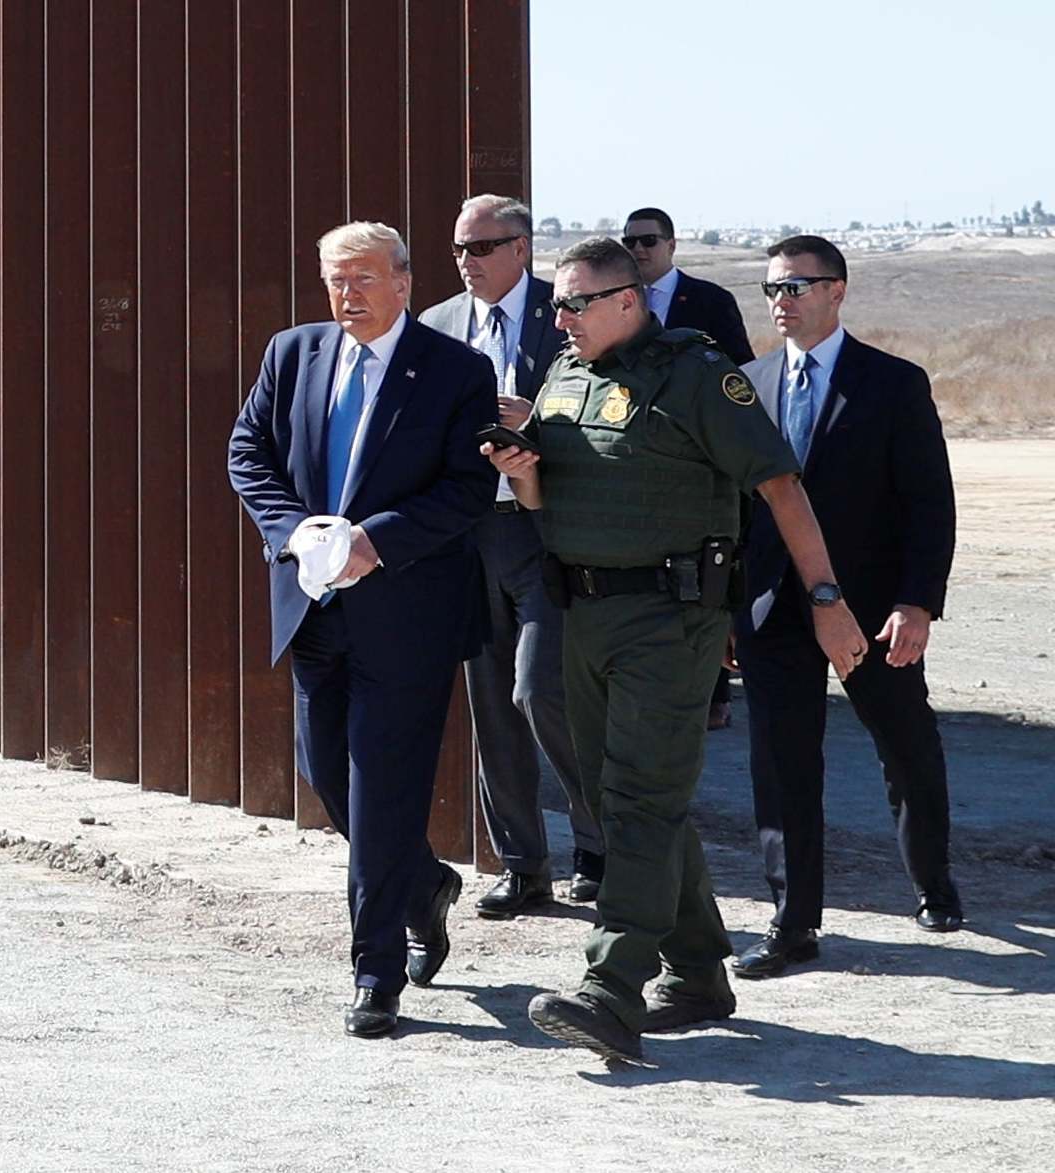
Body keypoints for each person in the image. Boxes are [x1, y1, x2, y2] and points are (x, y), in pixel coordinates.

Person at [484, 237, 868, 1064]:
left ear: (629, 300)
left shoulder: (697, 372)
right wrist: (521, 469)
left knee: (639, 799)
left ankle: (611, 987)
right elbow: (554, 491)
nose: (559, 317)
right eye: (556, 302)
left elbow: (780, 485)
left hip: (672, 616)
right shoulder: (565, 373)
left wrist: (827, 598)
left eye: (575, 303)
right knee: (617, 793)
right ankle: (698, 970)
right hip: (582, 610)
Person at [228, 221, 499, 1038]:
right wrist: (295, 531)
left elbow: (467, 489)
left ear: (406, 281)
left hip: (407, 613)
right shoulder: (294, 353)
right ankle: (422, 884)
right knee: (327, 776)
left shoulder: (457, 370)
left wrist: (374, 542)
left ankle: (375, 970)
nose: (348, 295)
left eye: (364, 279)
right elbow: (250, 452)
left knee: (384, 789)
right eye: (335, 281)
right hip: (313, 605)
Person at [731, 235, 962, 980]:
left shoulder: (892, 383)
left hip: (871, 612)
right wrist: (729, 609)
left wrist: (918, 603)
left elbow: (930, 504)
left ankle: (932, 880)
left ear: (838, 290)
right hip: (774, 610)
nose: (781, 301)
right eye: (772, 288)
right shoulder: (749, 384)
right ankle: (793, 922)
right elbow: (733, 510)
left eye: (797, 286)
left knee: (906, 746)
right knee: (782, 764)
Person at [418, 194, 605, 917]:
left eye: (482, 248)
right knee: (491, 702)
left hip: (544, 531)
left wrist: (541, 424)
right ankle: (524, 864)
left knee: (541, 690)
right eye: (459, 249)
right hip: (468, 536)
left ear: (521, 248)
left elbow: (604, 413)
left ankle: (599, 842)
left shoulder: (563, 317)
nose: (467, 261)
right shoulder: (436, 326)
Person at [622, 206, 756, 731]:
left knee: (707, 571)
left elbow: (738, 369)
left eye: (648, 241)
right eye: (630, 240)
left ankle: (715, 691)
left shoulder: (708, 301)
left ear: (672, 245)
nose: (638, 250)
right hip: (638, 458)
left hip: (703, 453)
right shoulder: (619, 304)